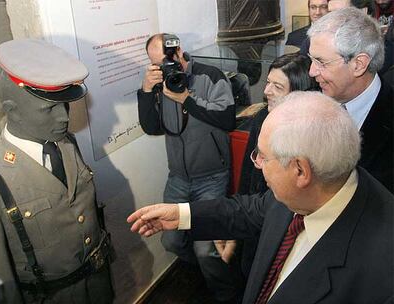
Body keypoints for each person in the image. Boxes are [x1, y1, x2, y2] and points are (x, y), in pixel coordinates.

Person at [128, 91, 394, 304]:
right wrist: (181, 214)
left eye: (263, 156)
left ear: (300, 170)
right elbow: (248, 211)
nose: (256, 163)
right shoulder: (310, 191)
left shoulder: (381, 278)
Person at [0, 39, 113, 303]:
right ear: (12, 111)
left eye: (64, 105)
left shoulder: (66, 143)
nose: (64, 117)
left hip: (98, 287)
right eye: (49, 108)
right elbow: (1, 276)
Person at [137, 33, 241, 302]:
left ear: (178, 50)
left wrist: (186, 98)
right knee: (171, 241)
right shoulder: (161, 83)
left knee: (207, 249)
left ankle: (226, 295)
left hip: (212, 176)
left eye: (166, 61)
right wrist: (147, 91)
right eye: (157, 64)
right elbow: (152, 127)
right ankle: (203, 273)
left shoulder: (210, 75)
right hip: (179, 178)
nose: (165, 68)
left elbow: (227, 119)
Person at [237, 53, 318, 279]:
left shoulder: (312, 135)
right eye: (268, 82)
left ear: (299, 94)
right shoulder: (263, 117)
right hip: (254, 219)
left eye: (277, 86)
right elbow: (247, 174)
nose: (266, 91)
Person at [307, 7, 393, 193]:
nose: (311, 72)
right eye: (311, 60)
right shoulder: (308, 102)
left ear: (358, 64)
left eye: (321, 62)